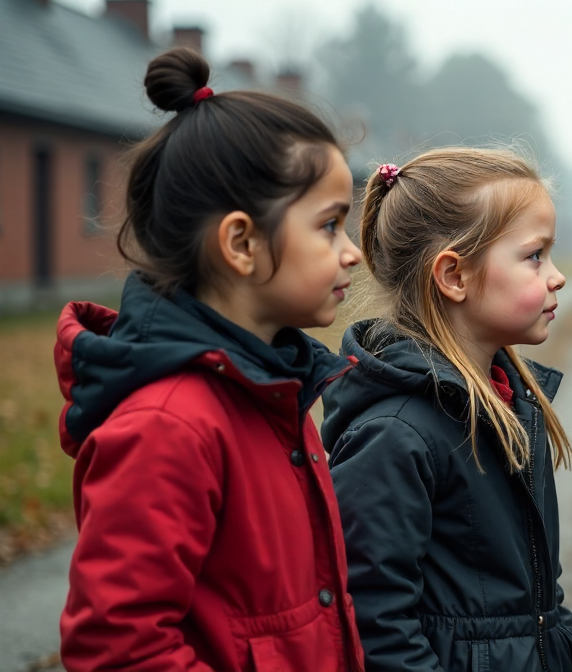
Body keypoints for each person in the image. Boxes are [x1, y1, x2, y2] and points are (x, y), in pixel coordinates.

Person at [53, 47, 364, 671]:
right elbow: (117, 650)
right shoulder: (169, 427)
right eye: (329, 226)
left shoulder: (276, 391)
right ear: (242, 244)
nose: (352, 252)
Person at [322, 147, 572, 672]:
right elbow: (374, 623)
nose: (556, 277)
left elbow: (538, 594)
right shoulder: (395, 435)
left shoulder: (508, 404)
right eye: (535, 255)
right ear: (454, 276)